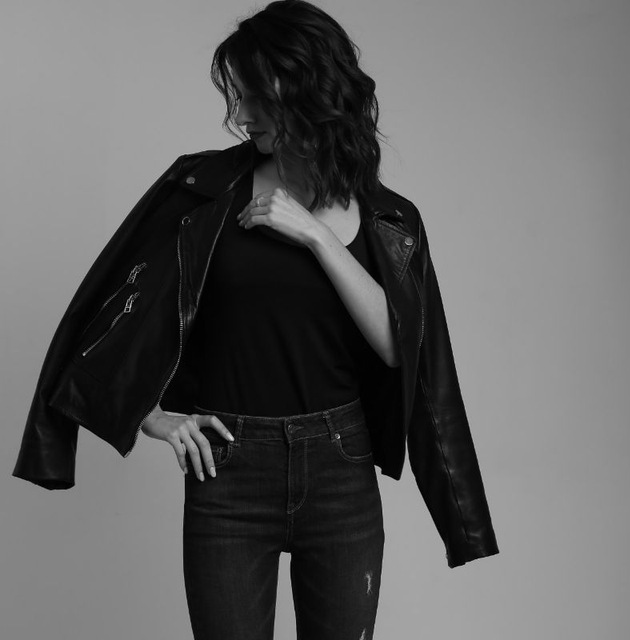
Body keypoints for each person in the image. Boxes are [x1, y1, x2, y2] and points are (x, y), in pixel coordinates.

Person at [12, 1, 499, 638]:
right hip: (228, 471)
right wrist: (148, 413)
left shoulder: (391, 219)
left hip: (341, 469)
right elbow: (110, 307)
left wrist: (315, 236)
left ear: (307, 92)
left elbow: (400, 347)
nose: (241, 116)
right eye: (238, 97)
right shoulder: (201, 189)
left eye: (255, 98)